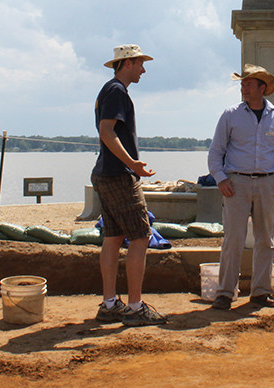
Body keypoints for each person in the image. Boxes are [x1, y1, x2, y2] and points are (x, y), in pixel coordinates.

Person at [207, 64, 274, 310]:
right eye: (242, 84)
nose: (243, 88)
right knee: (233, 239)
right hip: (236, 184)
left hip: (268, 184)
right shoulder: (230, 115)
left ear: (262, 88)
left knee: (265, 240)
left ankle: (260, 292)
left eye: (248, 84)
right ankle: (225, 293)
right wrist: (220, 178)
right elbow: (216, 151)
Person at [90, 44, 167, 326]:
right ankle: (135, 307)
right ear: (128, 63)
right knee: (139, 236)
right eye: (140, 64)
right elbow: (106, 131)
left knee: (111, 238)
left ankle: (110, 304)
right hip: (118, 175)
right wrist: (132, 164)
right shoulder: (116, 91)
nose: (144, 70)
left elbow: (106, 132)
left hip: (105, 174)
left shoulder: (110, 90)